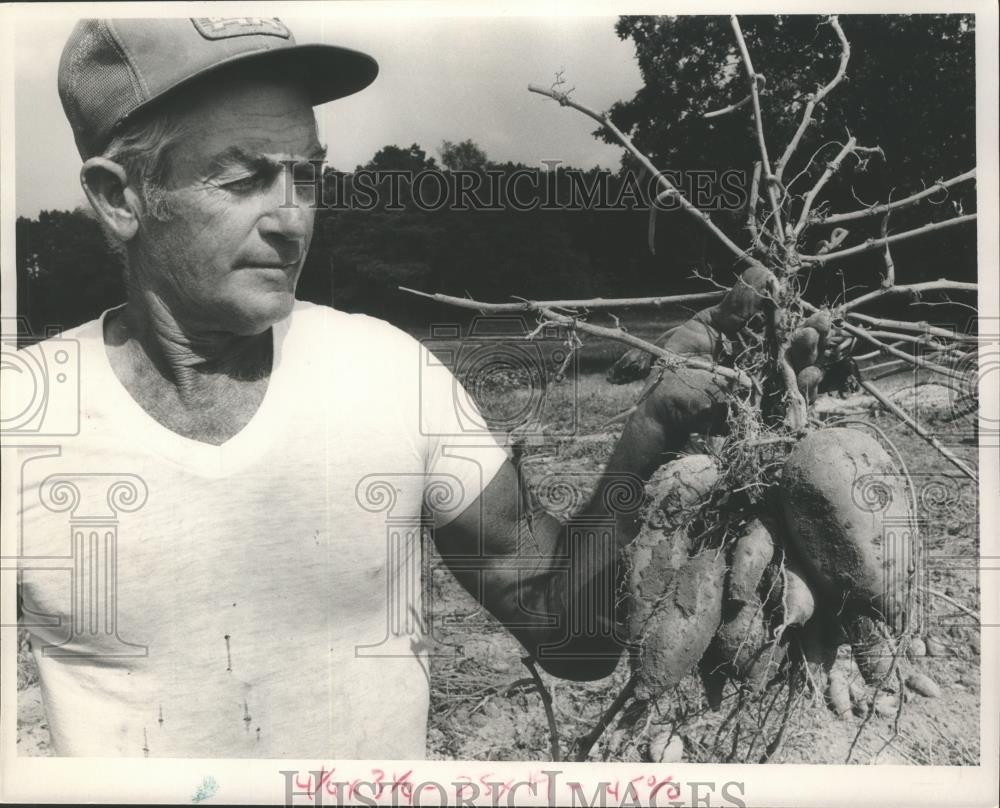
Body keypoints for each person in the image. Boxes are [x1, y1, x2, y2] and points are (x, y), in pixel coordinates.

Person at [11, 17, 754, 758]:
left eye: (307, 174)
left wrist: (651, 435)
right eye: (242, 179)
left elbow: (572, 635)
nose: (293, 219)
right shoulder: (22, 419)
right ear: (119, 197)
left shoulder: (390, 374)